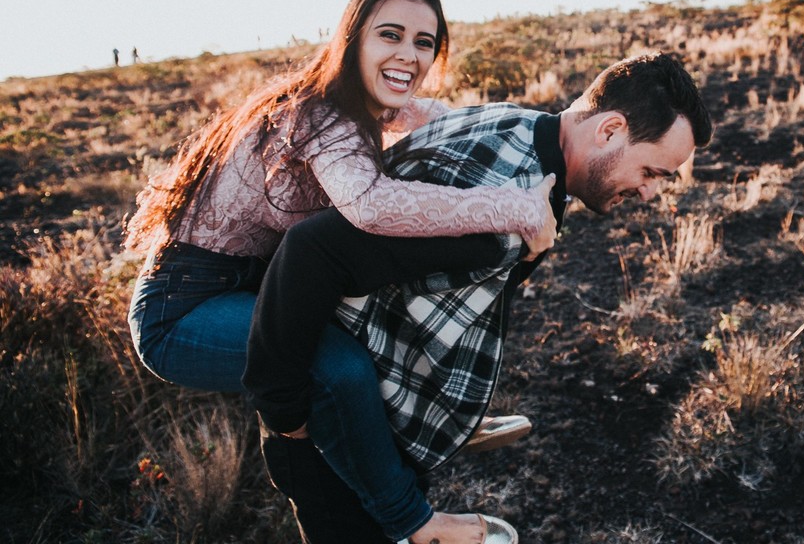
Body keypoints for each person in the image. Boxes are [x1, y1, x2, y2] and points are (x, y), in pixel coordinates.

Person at [124, 0, 558, 542]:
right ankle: (415, 523)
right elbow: (371, 206)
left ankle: (437, 422)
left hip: (253, 284)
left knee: (370, 322)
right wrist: (511, 208)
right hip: (182, 311)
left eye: (424, 43)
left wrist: (435, 115)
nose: (409, 53)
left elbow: (432, 125)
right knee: (338, 368)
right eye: (391, 35)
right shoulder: (318, 114)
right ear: (352, 39)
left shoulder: (352, 106)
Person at [244, 52, 714, 544]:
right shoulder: (499, 211)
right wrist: (284, 415)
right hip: (344, 423)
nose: (649, 194)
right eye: (653, 173)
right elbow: (314, 250)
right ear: (610, 129)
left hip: (380, 392)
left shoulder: (526, 125)